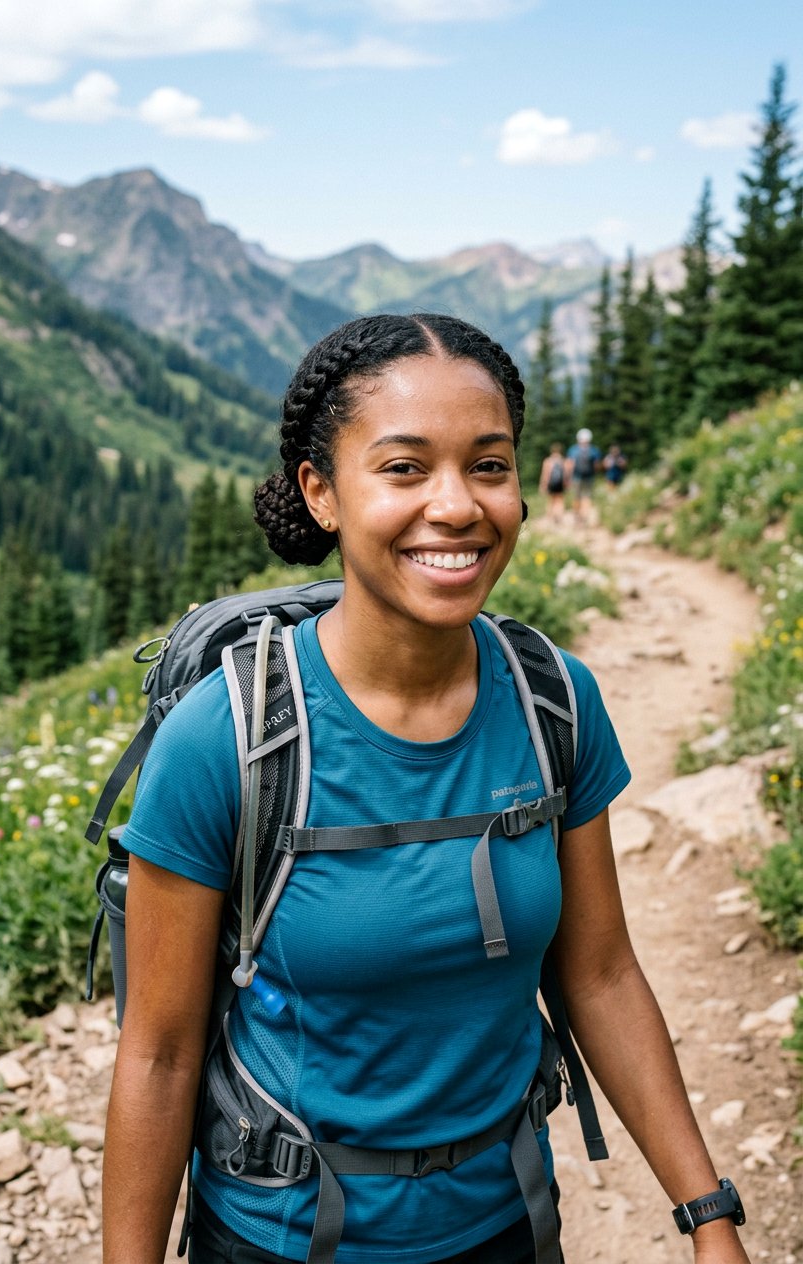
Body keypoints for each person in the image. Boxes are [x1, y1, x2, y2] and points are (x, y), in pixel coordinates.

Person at [102, 313, 750, 1264]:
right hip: (283, 1239)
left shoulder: (554, 702)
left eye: (489, 466)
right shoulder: (227, 739)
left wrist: (709, 1215)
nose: (457, 506)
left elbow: (602, 973)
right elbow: (157, 1055)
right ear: (321, 493)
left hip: (507, 1225)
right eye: (404, 469)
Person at [565, 428, 601, 525]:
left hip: (576, 477)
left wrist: (568, 478)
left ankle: (577, 516)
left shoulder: (573, 449)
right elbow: (597, 466)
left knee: (577, 497)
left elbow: (569, 465)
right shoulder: (594, 450)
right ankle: (585, 516)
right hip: (589, 477)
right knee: (587, 497)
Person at [537, 443, 568, 521]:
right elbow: (565, 473)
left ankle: (550, 517)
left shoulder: (548, 461)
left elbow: (545, 474)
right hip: (560, 484)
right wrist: (565, 483)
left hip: (551, 484)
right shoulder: (563, 460)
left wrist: (543, 485)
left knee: (551, 500)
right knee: (560, 499)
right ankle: (560, 516)